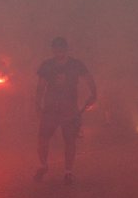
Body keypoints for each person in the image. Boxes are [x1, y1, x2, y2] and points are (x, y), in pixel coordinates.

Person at [34, 37, 97, 184]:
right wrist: (37, 104)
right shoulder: (47, 65)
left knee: (69, 140)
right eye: (56, 48)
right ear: (53, 50)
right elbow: (40, 87)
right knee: (42, 139)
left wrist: (94, 94)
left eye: (61, 48)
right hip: (50, 108)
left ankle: (68, 172)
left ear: (66, 49)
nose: (59, 51)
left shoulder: (76, 64)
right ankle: (43, 165)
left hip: (69, 109)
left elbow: (89, 79)